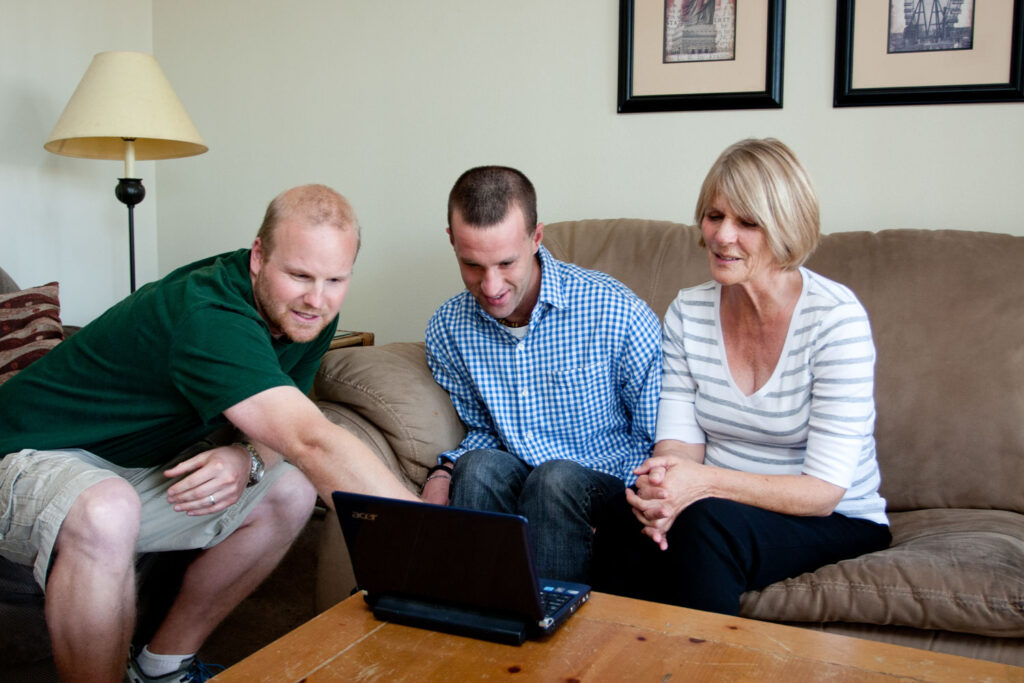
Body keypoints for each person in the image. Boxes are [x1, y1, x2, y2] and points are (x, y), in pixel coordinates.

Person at [0, 185, 417, 683]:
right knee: (107, 508)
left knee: (291, 491)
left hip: (123, 471)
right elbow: (311, 439)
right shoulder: (209, 313)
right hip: (25, 457)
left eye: (335, 279)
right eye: (299, 275)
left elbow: (289, 419)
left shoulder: (310, 316)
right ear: (259, 256)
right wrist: (435, 543)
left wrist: (247, 456)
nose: (316, 297)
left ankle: (161, 668)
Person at [592, 139, 892, 615]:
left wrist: (701, 484)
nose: (722, 235)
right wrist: (665, 494)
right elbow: (677, 449)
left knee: (706, 525)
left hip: (833, 516)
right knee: (619, 511)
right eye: (714, 216)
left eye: (747, 222)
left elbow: (822, 492)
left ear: (785, 228)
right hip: (717, 505)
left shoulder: (836, 320)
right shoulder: (688, 311)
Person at [422, 165, 662, 583]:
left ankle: (553, 638)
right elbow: (484, 431)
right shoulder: (448, 328)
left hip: (607, 488)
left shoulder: (614, 310)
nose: (491, 285)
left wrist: (587, 508)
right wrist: (445, 470)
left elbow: (656, 440)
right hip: (521, 481)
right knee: (476, 468)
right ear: (452, 242)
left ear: (536, 238)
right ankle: (479, 627)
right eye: (472, 264)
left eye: (506, 263)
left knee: (555, 480)